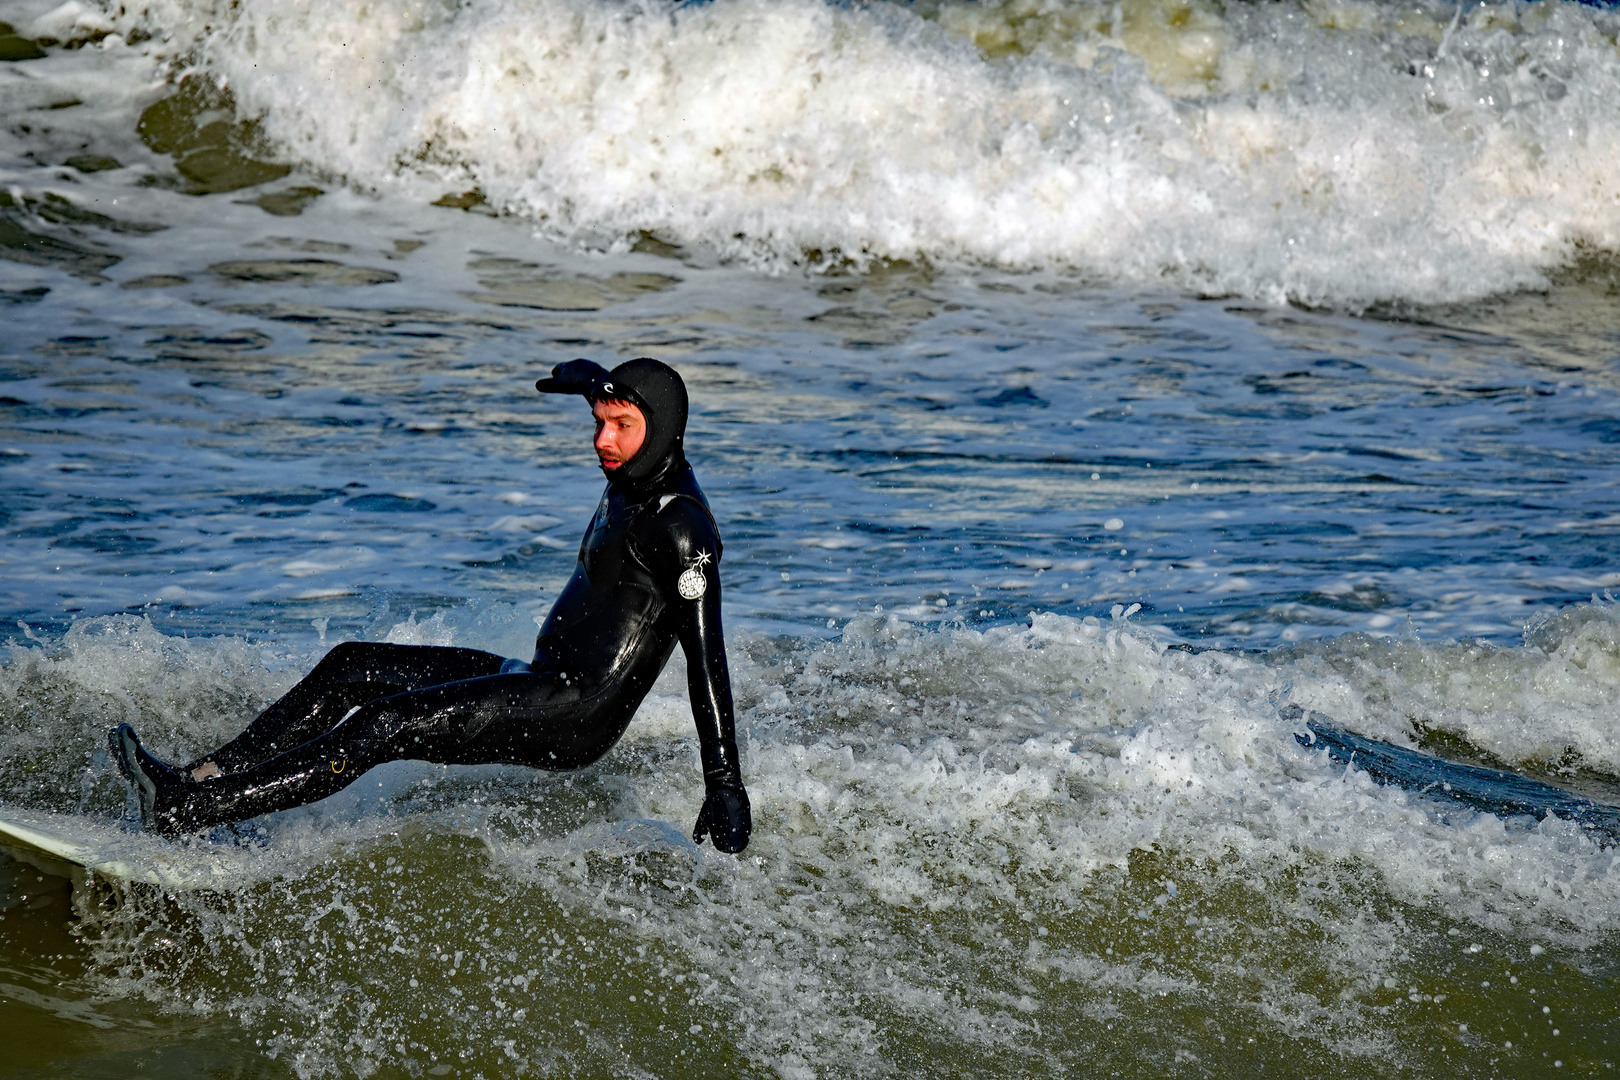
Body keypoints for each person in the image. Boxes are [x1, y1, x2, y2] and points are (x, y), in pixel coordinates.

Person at [108, 357, 751, 853]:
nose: (602, 440)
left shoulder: (682, 530)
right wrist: (593, 379)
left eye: (621, 427)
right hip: (533, 679)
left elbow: (706, 660)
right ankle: (202, 781)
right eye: (597, 422)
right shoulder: (635, 465)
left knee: (379, 726)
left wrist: (722, 783)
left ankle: (187, 813)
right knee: (350, 666)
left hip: (574, 713)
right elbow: (622, 398)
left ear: (661, 430)